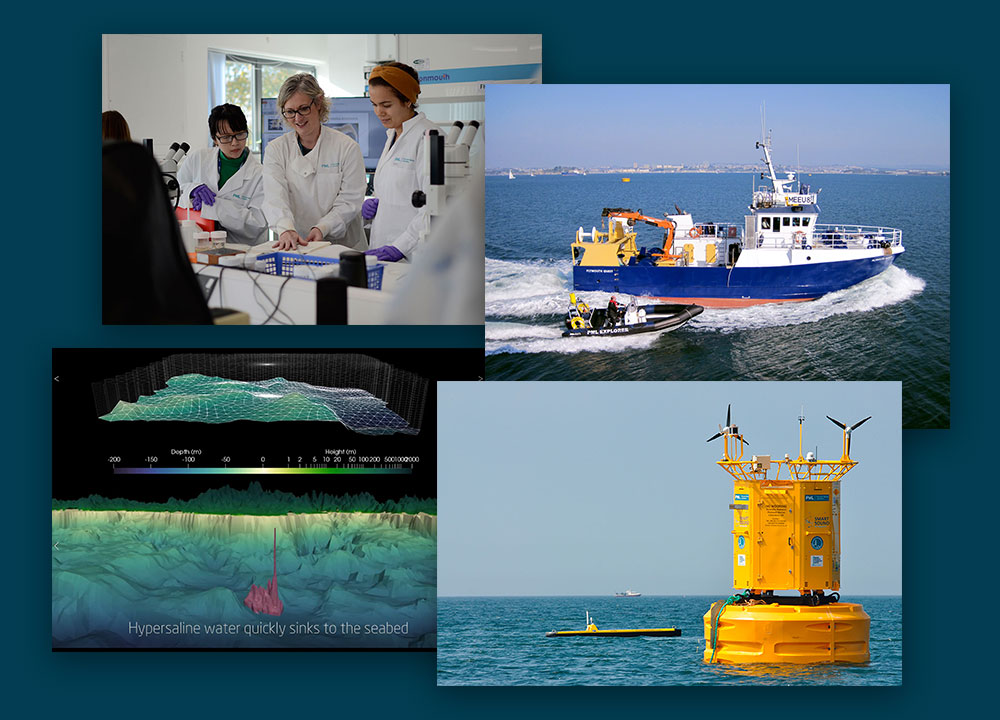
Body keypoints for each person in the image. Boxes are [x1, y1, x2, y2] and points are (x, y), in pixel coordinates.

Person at [263, 73, 366, 251]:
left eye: (303, 109)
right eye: (290, 112)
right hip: (298, 245)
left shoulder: (347, 147)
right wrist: (285, 228)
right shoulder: (276, 149)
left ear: (318, 103)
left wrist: (323, 227)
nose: (297, 118)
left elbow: (350, 200)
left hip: (343, 247)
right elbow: (275, 196)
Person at [362, 62, 438, 263]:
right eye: (374, 104)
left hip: (413, 256)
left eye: (386, 105)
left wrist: (400, 247)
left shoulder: (429, 138)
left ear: (407, 101)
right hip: (382, 249)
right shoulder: (392, 136)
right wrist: (376, 203)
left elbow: (434, 207)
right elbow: (398, 190)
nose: (379, 112)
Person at [176, 103, 267, 245]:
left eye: (240, 134)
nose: (235, 143)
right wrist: (191, 190)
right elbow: (174, 193)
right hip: (198, 246)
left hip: (241, 252)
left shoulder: (260, 174)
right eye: (226, 137)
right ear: (214, 139)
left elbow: (257, 224)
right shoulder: (198, 158)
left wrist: (214, 206)